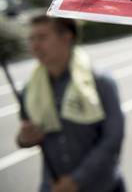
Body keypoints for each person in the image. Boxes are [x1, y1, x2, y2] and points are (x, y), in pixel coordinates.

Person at [17, 15, 125, 192]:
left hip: (101, 186)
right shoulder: (30, 87)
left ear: (67, 38)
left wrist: (77, 179)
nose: (34, 46)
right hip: (52, 185)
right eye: (31, 39)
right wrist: (23, 139)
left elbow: (113, 137)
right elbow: (25, 134)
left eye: (42, 37)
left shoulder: (99, 81)